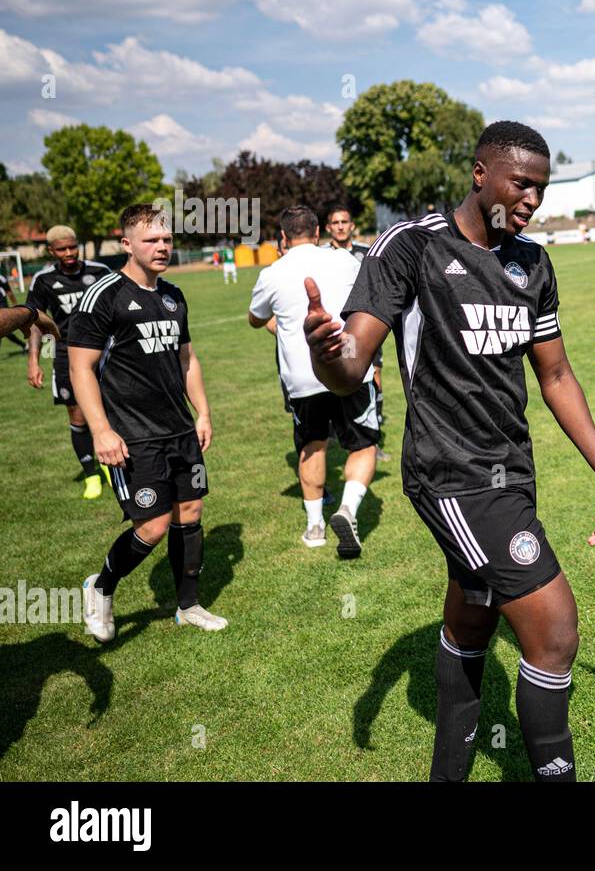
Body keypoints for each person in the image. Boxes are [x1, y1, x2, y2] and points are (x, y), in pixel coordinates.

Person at [304, 121, 595, 782]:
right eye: (521, 183)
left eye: (542, 188)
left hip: (510, 474)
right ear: (480, 174)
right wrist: (324, 351)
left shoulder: (531, 262)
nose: (532, 199)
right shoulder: (412, 246)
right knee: (556, 631)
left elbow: (555, 375)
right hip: (450, 476)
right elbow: (353, 362)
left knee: (473, 623)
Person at [68, 204, 227, 641]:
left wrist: (204, 412)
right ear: (127, 244)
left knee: (190, 513)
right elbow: (81, 367)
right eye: (151, 240)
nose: (162, 247)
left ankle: (188, 605)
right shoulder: (104, 295)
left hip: (179, 429)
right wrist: (101, 429)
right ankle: (100, 586)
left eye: (167, 239)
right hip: (133, 434)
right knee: (152, 526)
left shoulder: (174, 295)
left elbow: (187, 359)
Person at [249, 206, 378, 556]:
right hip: (350, 367)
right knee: (363, 445)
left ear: (284, 237)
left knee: (312, 445)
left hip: (302, 375)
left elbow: (255, 319)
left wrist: (286, 330)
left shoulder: (272, 272)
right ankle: (348, 508)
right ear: (319, 231)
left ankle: (315, 527)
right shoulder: (346, 261)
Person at [24, 226, 115, 499]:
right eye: (62, 249)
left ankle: (113, 464)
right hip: (66, 354)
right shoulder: (43, 280)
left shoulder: (100, 271)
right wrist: (33, 360)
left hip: (103, 352)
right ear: (51, 251)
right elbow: (34, 323)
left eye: (73, 247)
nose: (69, 253)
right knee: (77, 415)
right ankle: (91, 476)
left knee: (111, 408)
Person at [324, 205, 389, 461]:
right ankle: (334, 432)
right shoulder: (320, 256)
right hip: (334, 330)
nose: (340, 226)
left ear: (352, 225)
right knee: (335, 377)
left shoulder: (368, 252)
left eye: (344, 221)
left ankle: (373, 435)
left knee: (372, 375)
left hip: (363, 329)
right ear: (328, 227)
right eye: (335, 222)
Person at [0, 265, 30, 350]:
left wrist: (15, 305)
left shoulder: (1, 278)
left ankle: (25, 345)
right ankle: (24, 345)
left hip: (2, 305)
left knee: (4, 329)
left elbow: (9, 292)